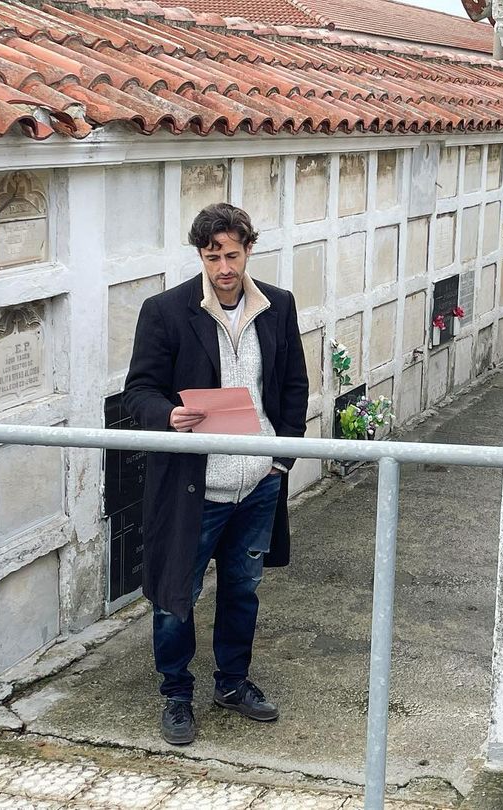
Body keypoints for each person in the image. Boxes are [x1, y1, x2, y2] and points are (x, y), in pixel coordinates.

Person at [123, 203, 309, 746]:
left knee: (243, 590)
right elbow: (138, 391)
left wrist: (281, 460)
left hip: (257, 484)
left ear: (248, 249)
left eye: (231, 254)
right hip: (194, 488)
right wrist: (167, 416)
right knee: (175, 595)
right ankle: (175, 695)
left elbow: (293, 385)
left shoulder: (279, 306)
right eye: (212, 256)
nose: (223, 267)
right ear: (199, 255)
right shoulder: (165, 311)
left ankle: (232, 682)